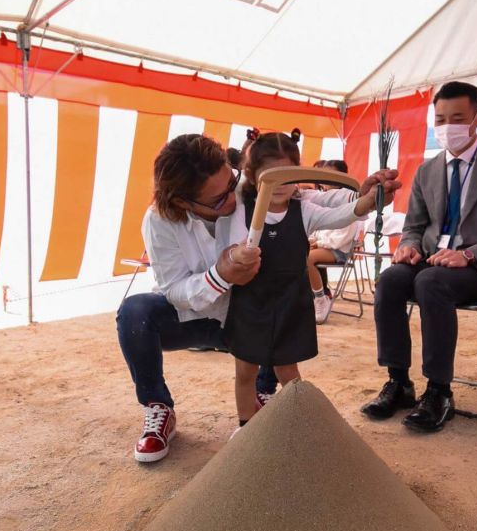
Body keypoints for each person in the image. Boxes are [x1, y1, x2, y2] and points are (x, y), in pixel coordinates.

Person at [117, 133, 399, 463]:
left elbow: (309, 201)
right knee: (135, 313)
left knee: (277, 317)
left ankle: (263, 396)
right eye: (218, 199)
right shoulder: (160, 221)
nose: (233, 197)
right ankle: (158, 406)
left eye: (232, 181)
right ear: (183, 203)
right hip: (202, 318)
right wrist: (220, 275)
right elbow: (174, 289)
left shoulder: (244, 186)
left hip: (254, 314)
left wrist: (360, 196)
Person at [362, 81, 477, 432]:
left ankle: (439, 390)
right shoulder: (427, 170)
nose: (447, 127)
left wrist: (468, 254)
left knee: (430, 281)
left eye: (457, 118)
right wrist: (408, 246)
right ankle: (398, 381)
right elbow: (414, 225)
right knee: (391, 279)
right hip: (432, 259)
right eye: (440, 119)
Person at [218, 132, 383, 428]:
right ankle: (245, 428)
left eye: (288, 176)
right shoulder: (241, 208)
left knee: (288, 371)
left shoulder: (303, 208)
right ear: (253, 176)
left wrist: (367, 202)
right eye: (270, 176)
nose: (280, 186)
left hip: (290, 302)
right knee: (245, 371)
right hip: (250, 300)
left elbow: (341, 215)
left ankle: (300, 426)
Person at [307, 159, 362, 323]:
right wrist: (313, 240)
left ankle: (320, 297)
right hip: (326, 246)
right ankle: (311, 296)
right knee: (296, 253)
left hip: (338, 250)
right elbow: (318, 227)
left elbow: (341, 237)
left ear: (339, 176)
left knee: (307, 259)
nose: (324, 178)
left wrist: (319, 243)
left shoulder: (349, 199)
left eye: (328, 174)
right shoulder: (323, 197)